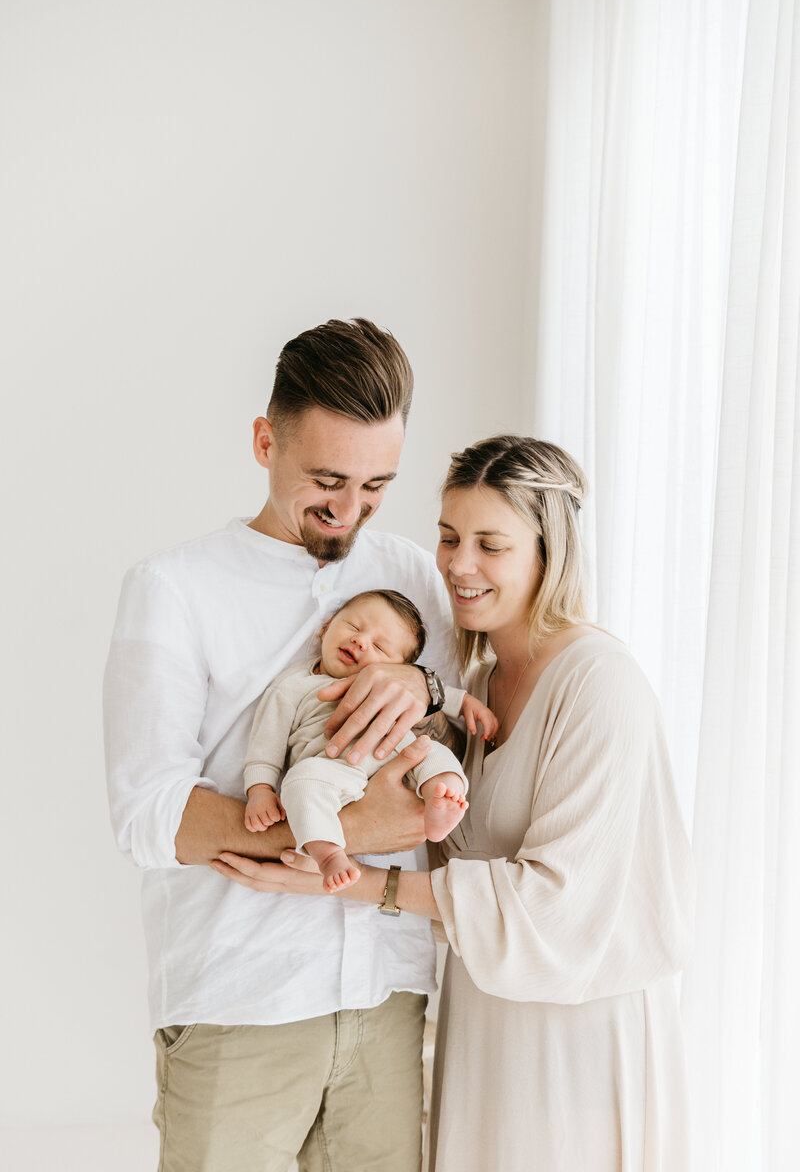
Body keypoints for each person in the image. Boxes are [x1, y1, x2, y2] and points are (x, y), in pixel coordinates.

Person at [214, 434, 696, 1172]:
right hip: (485, 1023)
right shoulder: (475, 680)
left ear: (548, 550)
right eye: (448, 537)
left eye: (490, 545)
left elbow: (557, 905)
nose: (458, 566)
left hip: (578, 1041)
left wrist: (356, 886)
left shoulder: (599, 682)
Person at [103, 318, 465, 1172]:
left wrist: (429, 686)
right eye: (328, 480)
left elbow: (451, 745)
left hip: (388, 992)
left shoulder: (414, 575)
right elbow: (149, 814)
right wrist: (347, 832)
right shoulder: (172, 590)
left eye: (377, 484)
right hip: (238, 998)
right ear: (266, 442)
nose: (349, 509)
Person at [243, 588, 492, 891]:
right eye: (354, 627)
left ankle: (441, 799)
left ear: (398, 671)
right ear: (327, 626)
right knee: (300, 782)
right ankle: (329, 854)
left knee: (432, 751)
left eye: (380, 646)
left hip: (395, 753)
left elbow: (433, 695)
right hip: (334, 769)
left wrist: (465, 702)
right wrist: (259, 790)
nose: (360, 641)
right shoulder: (293, 685)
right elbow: (266, 743)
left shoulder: (388, 684)